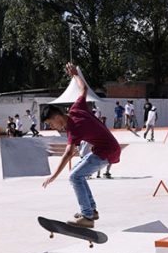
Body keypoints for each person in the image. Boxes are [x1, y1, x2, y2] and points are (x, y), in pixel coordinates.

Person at [42, 63, 121, 228]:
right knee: (77, 174)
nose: (52, 127)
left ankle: (87, 216)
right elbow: (83, 89)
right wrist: (75, 74)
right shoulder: (76, 108)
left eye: (50, 123)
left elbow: (68, 153)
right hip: (107, 148)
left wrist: (54, 176)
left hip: (106, 151)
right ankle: (91, 209)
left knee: (74, 176)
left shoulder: (73, 129)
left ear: (57, 117)